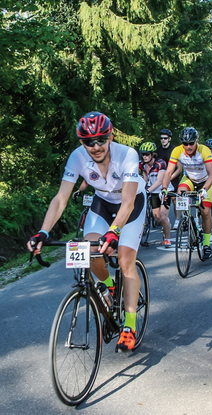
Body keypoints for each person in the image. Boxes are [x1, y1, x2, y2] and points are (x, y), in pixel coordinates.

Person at [27, 111, 146, 352]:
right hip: (102, 203)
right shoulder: (77, 157)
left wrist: (114, 231)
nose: (96, 146)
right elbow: (61, 199)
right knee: (89, 250)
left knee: (124, 260)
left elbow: (128, 202)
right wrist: (43, 232)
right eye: (89, 142)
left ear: (110, 137)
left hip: (131, 204)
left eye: (101, 139)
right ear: (82, 142)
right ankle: (111, 286)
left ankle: (129, 326)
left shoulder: (127, 155)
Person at [161, 127, 212, 260]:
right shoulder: (178, 151)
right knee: (181, 192)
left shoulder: (204, 150)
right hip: (190, 179)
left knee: (206, 212)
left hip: (205, 181)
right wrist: (164, 189)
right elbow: (168, 172)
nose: (188, 146)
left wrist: (204, 189)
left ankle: (207, 244)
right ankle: (186, 217)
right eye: (185, 144)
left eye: (191, 143)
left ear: (197, 141)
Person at [139, 142, 173, 247]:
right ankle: (166, 225)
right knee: (157, 218)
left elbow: (159, 181)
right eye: (143, 154)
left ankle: (167, 238)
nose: (145, 156)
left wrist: (148, 190)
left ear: (153, 154)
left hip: (164, 190)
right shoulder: (143, 165)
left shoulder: (160, 163)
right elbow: (145, 178)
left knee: (163, 216)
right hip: (153, 192)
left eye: (147, 154)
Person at [157, 129, 182, 229]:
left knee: (175, 199)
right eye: (161, 138)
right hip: (162, 178)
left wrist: (170, 177)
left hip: (173, 177)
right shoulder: (158, 150)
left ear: (169, 139)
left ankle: (177, 219)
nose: (163, 140)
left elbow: (179, 168)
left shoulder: (174, 150)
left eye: (165, 138)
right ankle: (165, 220)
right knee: (163, 198)